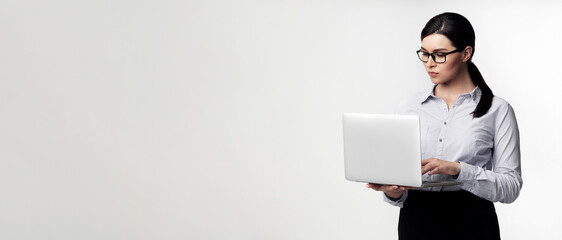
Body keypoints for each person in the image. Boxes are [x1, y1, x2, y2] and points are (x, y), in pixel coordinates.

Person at [366, 12, 522, 240]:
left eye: (439, 55)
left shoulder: (498, 110)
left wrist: (458, 169)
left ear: (466, 53)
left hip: (473, 222)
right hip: (415, 222)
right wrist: (392, 191)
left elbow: (511, 187)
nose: (429, 63)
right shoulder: (408, 107)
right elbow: (398, 188)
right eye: (425, 54)